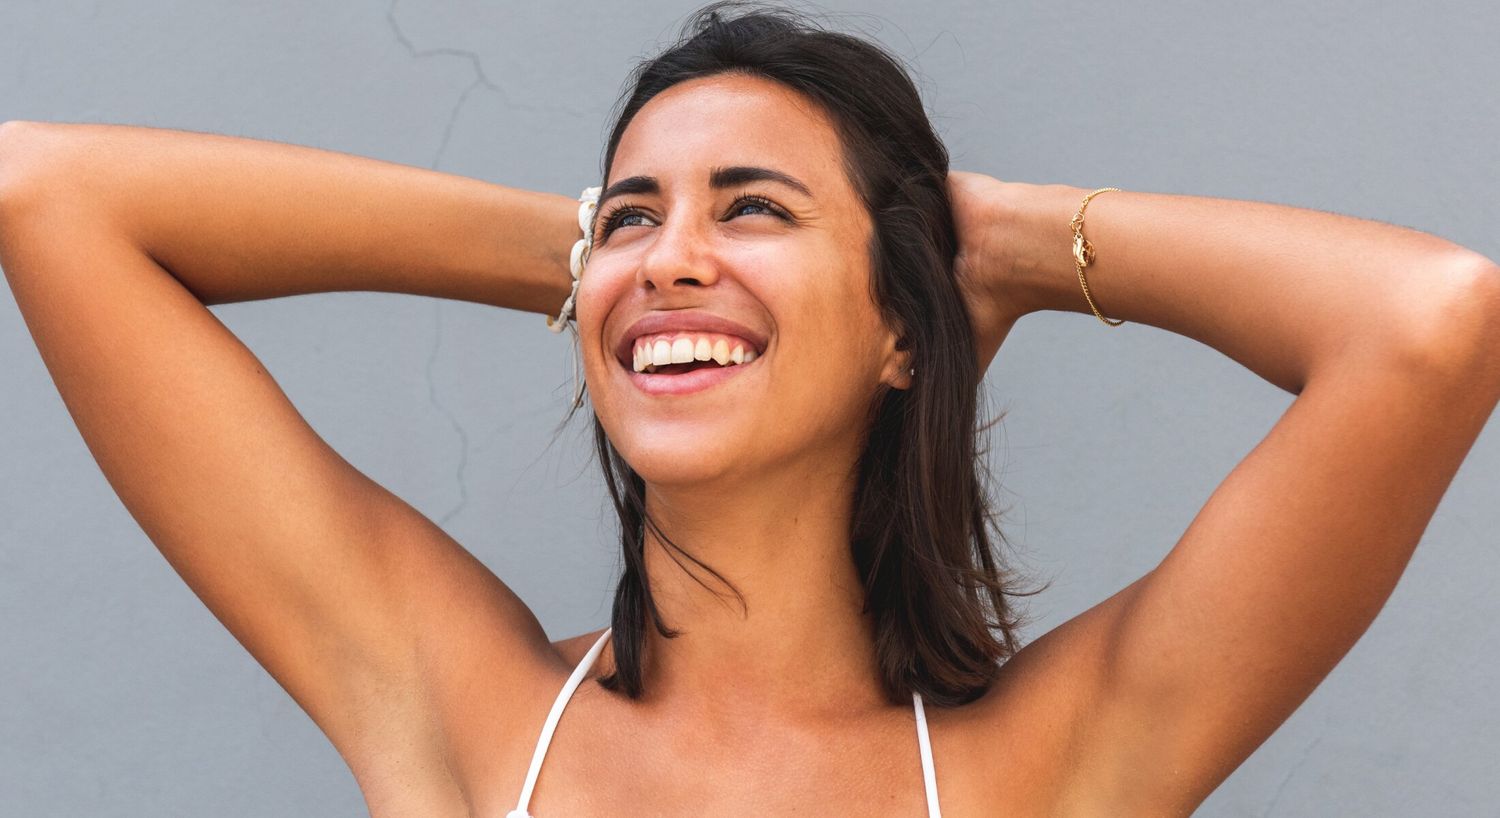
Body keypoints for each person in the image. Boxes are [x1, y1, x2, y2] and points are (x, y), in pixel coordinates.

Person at [1, 2, 1496, 815]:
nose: (674, 251)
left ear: (902, 326)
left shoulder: (1040, 770)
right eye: (635, 212)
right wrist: (599, 259)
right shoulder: (467, 714)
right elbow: (46, 193)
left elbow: (1431, 323)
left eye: (754, 205)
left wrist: (1002, 249)